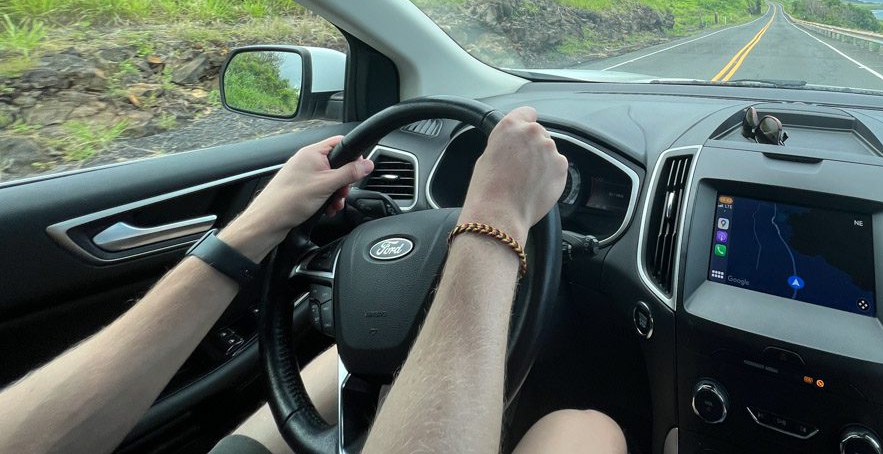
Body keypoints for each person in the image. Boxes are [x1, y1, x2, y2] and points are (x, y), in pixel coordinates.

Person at [0, 107, 626, 454]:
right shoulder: (497, 213)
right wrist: (495, 216)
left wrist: (260, 225)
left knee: (348, 363)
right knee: (585, 427)